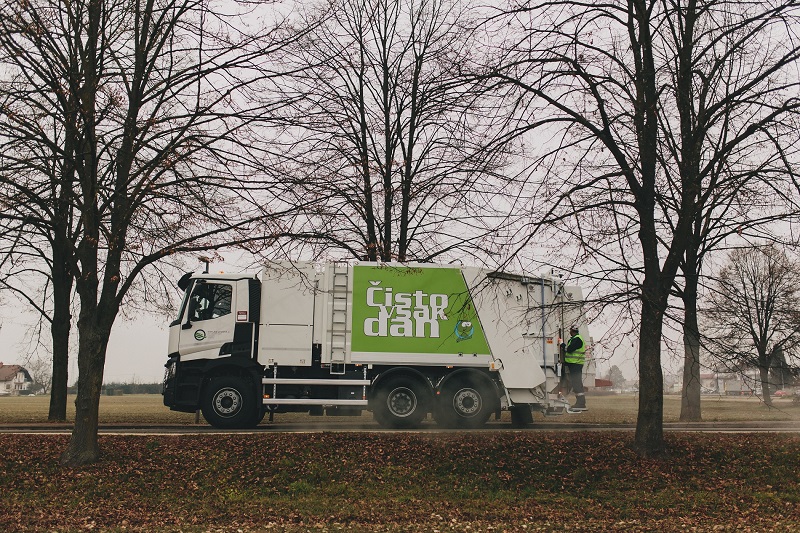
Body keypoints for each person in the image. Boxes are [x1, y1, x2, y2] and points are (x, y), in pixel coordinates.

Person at [563, 325, 587, 412]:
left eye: (570, 330)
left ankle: (581, 403)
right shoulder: (576, 339)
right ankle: (580, 403)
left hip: (576, 364)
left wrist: (562, 344)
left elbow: (569, 349)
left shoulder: (577, 339)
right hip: (575, 364)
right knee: (576, 383)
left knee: (577, 383)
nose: (569, 332)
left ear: (572, 331)